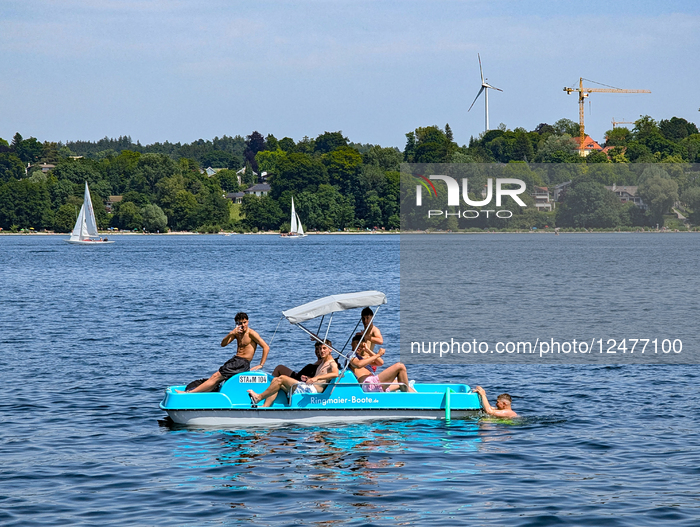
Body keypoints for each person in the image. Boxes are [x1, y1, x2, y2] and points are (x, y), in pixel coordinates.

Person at [177, 312, 270, 393]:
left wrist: (261, 364)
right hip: (235, 360)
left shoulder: (251, 333)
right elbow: (223, 344)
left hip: (242, 362)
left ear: (248, 322)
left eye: (244, 322)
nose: (243, 325)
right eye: (240, 323)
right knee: (217, 378)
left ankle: (190, 393)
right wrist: (231, 333)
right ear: (237, 324)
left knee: (216, 376)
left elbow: (266, 347)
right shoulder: (237, 333)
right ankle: (200, 392)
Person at [247, 340, 338, 407]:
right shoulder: (323, 362)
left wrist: (316, 379)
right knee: (276, 381)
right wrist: (308, 378)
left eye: (324, 348)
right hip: (309, 387)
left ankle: (259, 397)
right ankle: (265, 407)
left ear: (330, 349)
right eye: (320, 349)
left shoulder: (331, 363)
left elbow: (335, 373)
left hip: (313, 391)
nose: (321, 351)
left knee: (282, 378)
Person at [349, 334, 416, 393]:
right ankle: (408, 397)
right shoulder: (350, 355)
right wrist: (378, 354)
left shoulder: (362, 358)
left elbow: (380, 363)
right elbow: (358, 364)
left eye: (361, 344)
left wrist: (367, 350)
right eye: (357, 343)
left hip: (373, 384)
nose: (359, 347)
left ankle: (417, 399)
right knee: (400, 366)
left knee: (400, 382)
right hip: (369, 384)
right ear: (352, 343)